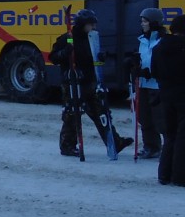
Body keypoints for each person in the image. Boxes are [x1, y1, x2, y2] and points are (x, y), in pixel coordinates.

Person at [50, 8, 133, 158]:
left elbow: (94, 59)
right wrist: (64, 53)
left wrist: (101, 57)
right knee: (73, 113)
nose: (93, 27)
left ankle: (114, 141)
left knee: (100, 111)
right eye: (91, 24)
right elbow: (53, 57)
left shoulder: (92, 38)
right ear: (82, 24)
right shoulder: (67, 38)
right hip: (73, 83)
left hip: (90, 81)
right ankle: (67, 145)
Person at [150, 14, 185, 187]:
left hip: (166, 97)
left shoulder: (159, 47)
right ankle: (182, 177)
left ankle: (164, 175)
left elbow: (154, 71)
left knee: (170, 136)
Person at [126, 8, 166, 159]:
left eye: (145, 21)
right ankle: (151, 146)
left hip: (157, 86)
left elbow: (164, 63)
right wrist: (134, 67)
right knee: (144, 118)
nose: (142, 24)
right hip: (142, 84)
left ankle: (168, 146)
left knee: (160, 119)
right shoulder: (142, 40)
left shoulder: (162, 40)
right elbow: (143, 60)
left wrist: (153, 72)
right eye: (142, 21)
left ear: (154, 22)